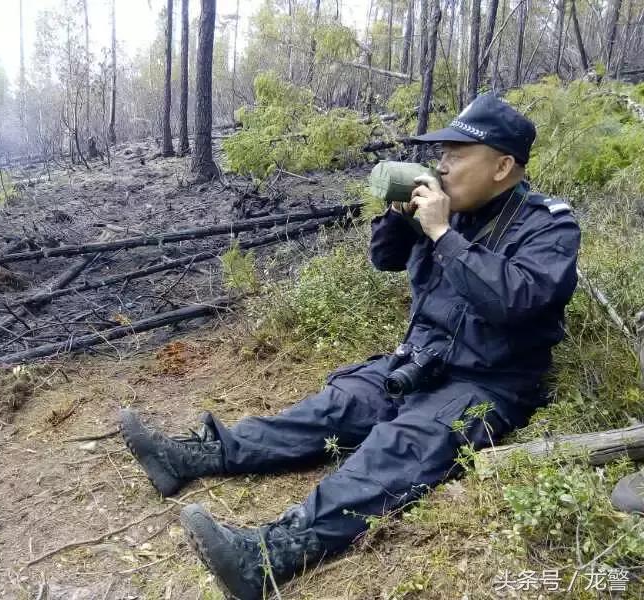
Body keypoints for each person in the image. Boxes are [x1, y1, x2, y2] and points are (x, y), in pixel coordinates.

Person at [120, 93, 581, 600]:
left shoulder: (548, 225)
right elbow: (385, 259)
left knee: (397, 449)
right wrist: (401, 217)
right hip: (420, 362)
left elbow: (515, 301)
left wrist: (444, 234)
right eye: (441, 154)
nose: (442, 166)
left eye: (455, 155)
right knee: (332, 407)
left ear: (503, 165)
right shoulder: (455, 211)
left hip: (488, 381)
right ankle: (195, 457)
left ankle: (266, 556)